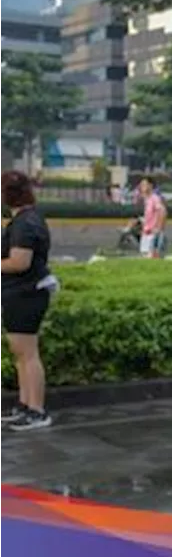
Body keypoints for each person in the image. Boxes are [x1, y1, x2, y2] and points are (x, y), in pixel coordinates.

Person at [0, 171, 55, 431]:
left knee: (28, 353)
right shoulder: (26, 219)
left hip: (26, 293)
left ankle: (37, 410)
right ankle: (25, 405)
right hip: (19, 293)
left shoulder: (25, 223)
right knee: (20, 353)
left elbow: (19, 262)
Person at [138, 176, 167, 258]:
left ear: (150, 186)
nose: (142, 187)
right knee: (144, 255)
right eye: (141, 185)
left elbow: (162, 212)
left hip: (153, 233)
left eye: (144, 185)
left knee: (152, 256)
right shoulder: (147, 199)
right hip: (146, 232)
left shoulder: (155, 198)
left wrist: (159, 228)